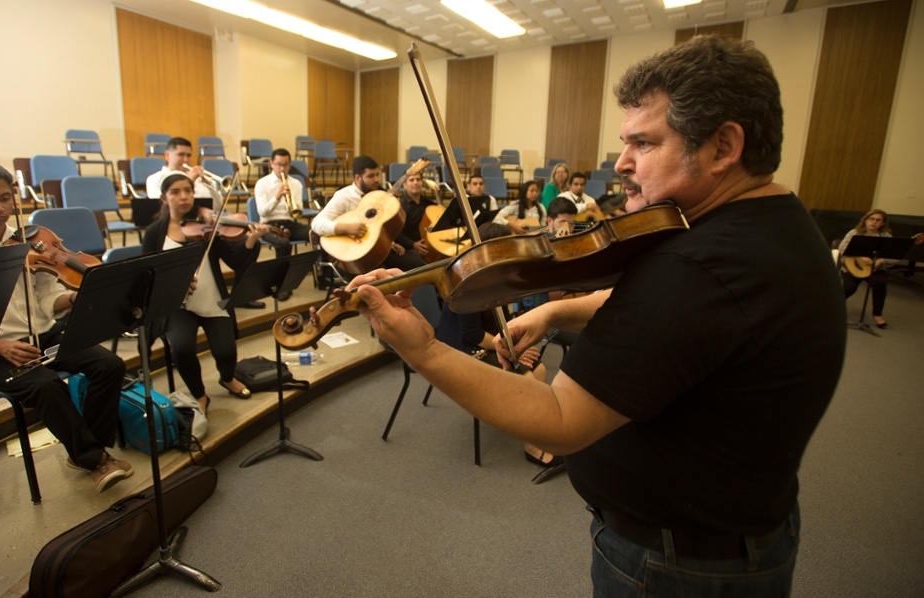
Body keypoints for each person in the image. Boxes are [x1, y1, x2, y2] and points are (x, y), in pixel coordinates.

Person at [349, 35, 847, 596]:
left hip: (675, 565)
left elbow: (561, 419)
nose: (622, 163)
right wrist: (557, 310)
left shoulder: (698, 268)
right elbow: (679, 324)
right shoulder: (773, 221)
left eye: (644, 143)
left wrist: (423, 348)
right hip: (736, 532)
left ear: (723, 146)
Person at [0, 161, 132, 493]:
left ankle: (89, 447)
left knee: (109, 364)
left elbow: (47, 299)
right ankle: (95, 459)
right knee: (45, 386)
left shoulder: (31, 244)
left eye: (5, 197)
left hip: (43, 336)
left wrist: (73, 299)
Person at [141, 171, 268, 413]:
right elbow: (147, 272)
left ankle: (227, 378)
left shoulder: (207, 224)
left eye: (188, 191)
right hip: (177, 306)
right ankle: (199, 394)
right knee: (182, 347)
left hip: (211, 298)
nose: (184, 197)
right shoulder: (155, 232)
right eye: (175, 192)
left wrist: (251, 239)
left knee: (226, 349)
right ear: (164, 198)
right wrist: (174, 284)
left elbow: (235, 259)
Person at [312, 155, 427, 272]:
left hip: (378, 251)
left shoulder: (379, 194)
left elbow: (377, 226)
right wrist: (346, 228)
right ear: (358, 178)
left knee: (420, 266)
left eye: (377, 174)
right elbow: (316, 224)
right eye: (371, 176)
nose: (377, 179)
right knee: (383, 276)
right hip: (354, 257)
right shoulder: (343, 197)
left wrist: (388, 243)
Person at [253, 148, 312, 300]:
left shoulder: (296, 183)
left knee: (315, 233)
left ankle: (323, 274)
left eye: (285, 165)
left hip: (290, 222)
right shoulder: (262, 183)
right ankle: (281, 285)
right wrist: (277, 197)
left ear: (289, 164)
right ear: (271, 163)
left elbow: (297, 209)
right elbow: (262, 212)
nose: (282, 169)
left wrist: (291, 201)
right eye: (278, 164)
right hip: (268, 224)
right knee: (283, 243)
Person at [839, 209, 895, 328]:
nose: (873, 222)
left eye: (878, 220)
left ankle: (877, 314)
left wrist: (880, 261)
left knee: (879, 283)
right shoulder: (854, 233)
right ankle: (835, 310)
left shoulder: (886, 236)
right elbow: (843, 248)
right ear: (865, 220)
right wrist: (861, 257)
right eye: (871, 219)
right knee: (849, 287)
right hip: (854, 267)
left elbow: (894, 256)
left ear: (882, 223)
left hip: (875, 269)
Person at [145, 137, 216, 206]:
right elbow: (160, 206)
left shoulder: (198, 178)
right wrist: (189, 181)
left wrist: (211, 187)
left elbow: (217, 207)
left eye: (189, 155)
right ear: (167, 155)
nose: (185, 160)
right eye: (181, 155)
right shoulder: (154, 179)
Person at [393, 172, 436, 259]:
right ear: (404, 185)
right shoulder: (400, 206)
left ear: (422, 183)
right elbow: (397, 234)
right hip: (410, 248)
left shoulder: (428, 204)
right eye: (411, 180)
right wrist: (413, 245)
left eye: (418, 179)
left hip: (429, 244)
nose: (415, 182)